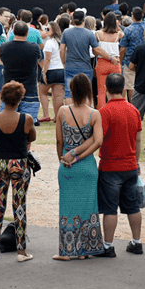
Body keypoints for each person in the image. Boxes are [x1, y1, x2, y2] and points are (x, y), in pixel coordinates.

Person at [55, 74, 105, 260]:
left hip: (67, 165)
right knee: (87, 207)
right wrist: (79, 157)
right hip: (87, 166)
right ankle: (84, 249)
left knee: (67, 208)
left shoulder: (62, 111)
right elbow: (98, 141)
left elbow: (59, 140)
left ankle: (68, 250)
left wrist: (65, 158)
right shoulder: (94, 114)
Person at [0, 81, 36, 263]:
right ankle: (21, 251)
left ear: (3, 98)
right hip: (19, 163)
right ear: (19, 99)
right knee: (19, 205)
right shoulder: (26, 119)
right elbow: (32, 137)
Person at [94, 74, 143, 257]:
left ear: (106, 89)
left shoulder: (104, 112)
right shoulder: (134, 110)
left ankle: (108, 245)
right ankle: (137, 242)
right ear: (123, 89)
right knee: (133, 206)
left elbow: (98, 139)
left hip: (110, 166)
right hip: (130, 164)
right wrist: (136, 161)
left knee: (109, 208)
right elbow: (138, 139)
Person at [60, 10, 113, 104]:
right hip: (85, 67)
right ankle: (87, 111)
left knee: (69, 93)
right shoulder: (89, 34)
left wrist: (63, 62)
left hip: (70, 66)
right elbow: (97, 49)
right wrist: (111, 58)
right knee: (87, 93)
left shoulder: (66, 32)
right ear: (83, 20)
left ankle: (69, 112)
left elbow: (62, 49)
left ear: (72, 20)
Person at [0, 22, 43, 122]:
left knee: (7, 122)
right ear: (27, 33)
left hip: (9, 89)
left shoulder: (4, 47)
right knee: (28, 124)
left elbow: (2, 60)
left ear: (13, 32)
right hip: (30, 90)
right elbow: (38, 60)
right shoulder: (34, 47)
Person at [94, 13, 123, 109]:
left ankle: (101, 111)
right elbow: (122, 32)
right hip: (115, 63)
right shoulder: (118, 34)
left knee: (101, 91)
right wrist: (117, 25)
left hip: (102, 63)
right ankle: (116, 109)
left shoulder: (98, 34)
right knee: (116, 90)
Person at [119, 7, 145, 101]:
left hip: (130, 61)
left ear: (132, 16)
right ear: (142, 15)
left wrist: (120, 61)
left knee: (130, 85)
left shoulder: (128, 30)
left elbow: (123, 48)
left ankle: (133, 105)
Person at [40, 21, 65, 121]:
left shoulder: (49, 43)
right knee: (58, 96)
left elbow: (47, 59)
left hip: (51, 70)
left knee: (42, 92)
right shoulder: (61, 42)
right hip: (61, 70)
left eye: (48, 29)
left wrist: (44, 72)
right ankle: (57, 116)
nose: (46, 31)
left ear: (53, 30)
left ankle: (46, 114)